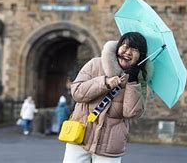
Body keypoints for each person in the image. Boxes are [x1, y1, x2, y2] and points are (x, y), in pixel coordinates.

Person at [63, 32, 150, 163]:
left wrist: (133, 82)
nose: (127, 52)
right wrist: (105, 83)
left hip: (110, 145)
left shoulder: (140, 81)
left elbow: (131, 113)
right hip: (80, 136)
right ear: (118, 47)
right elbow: (77, 92)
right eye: (125, 46)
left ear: (140, 56)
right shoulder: (95, 64)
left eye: (134, 49)